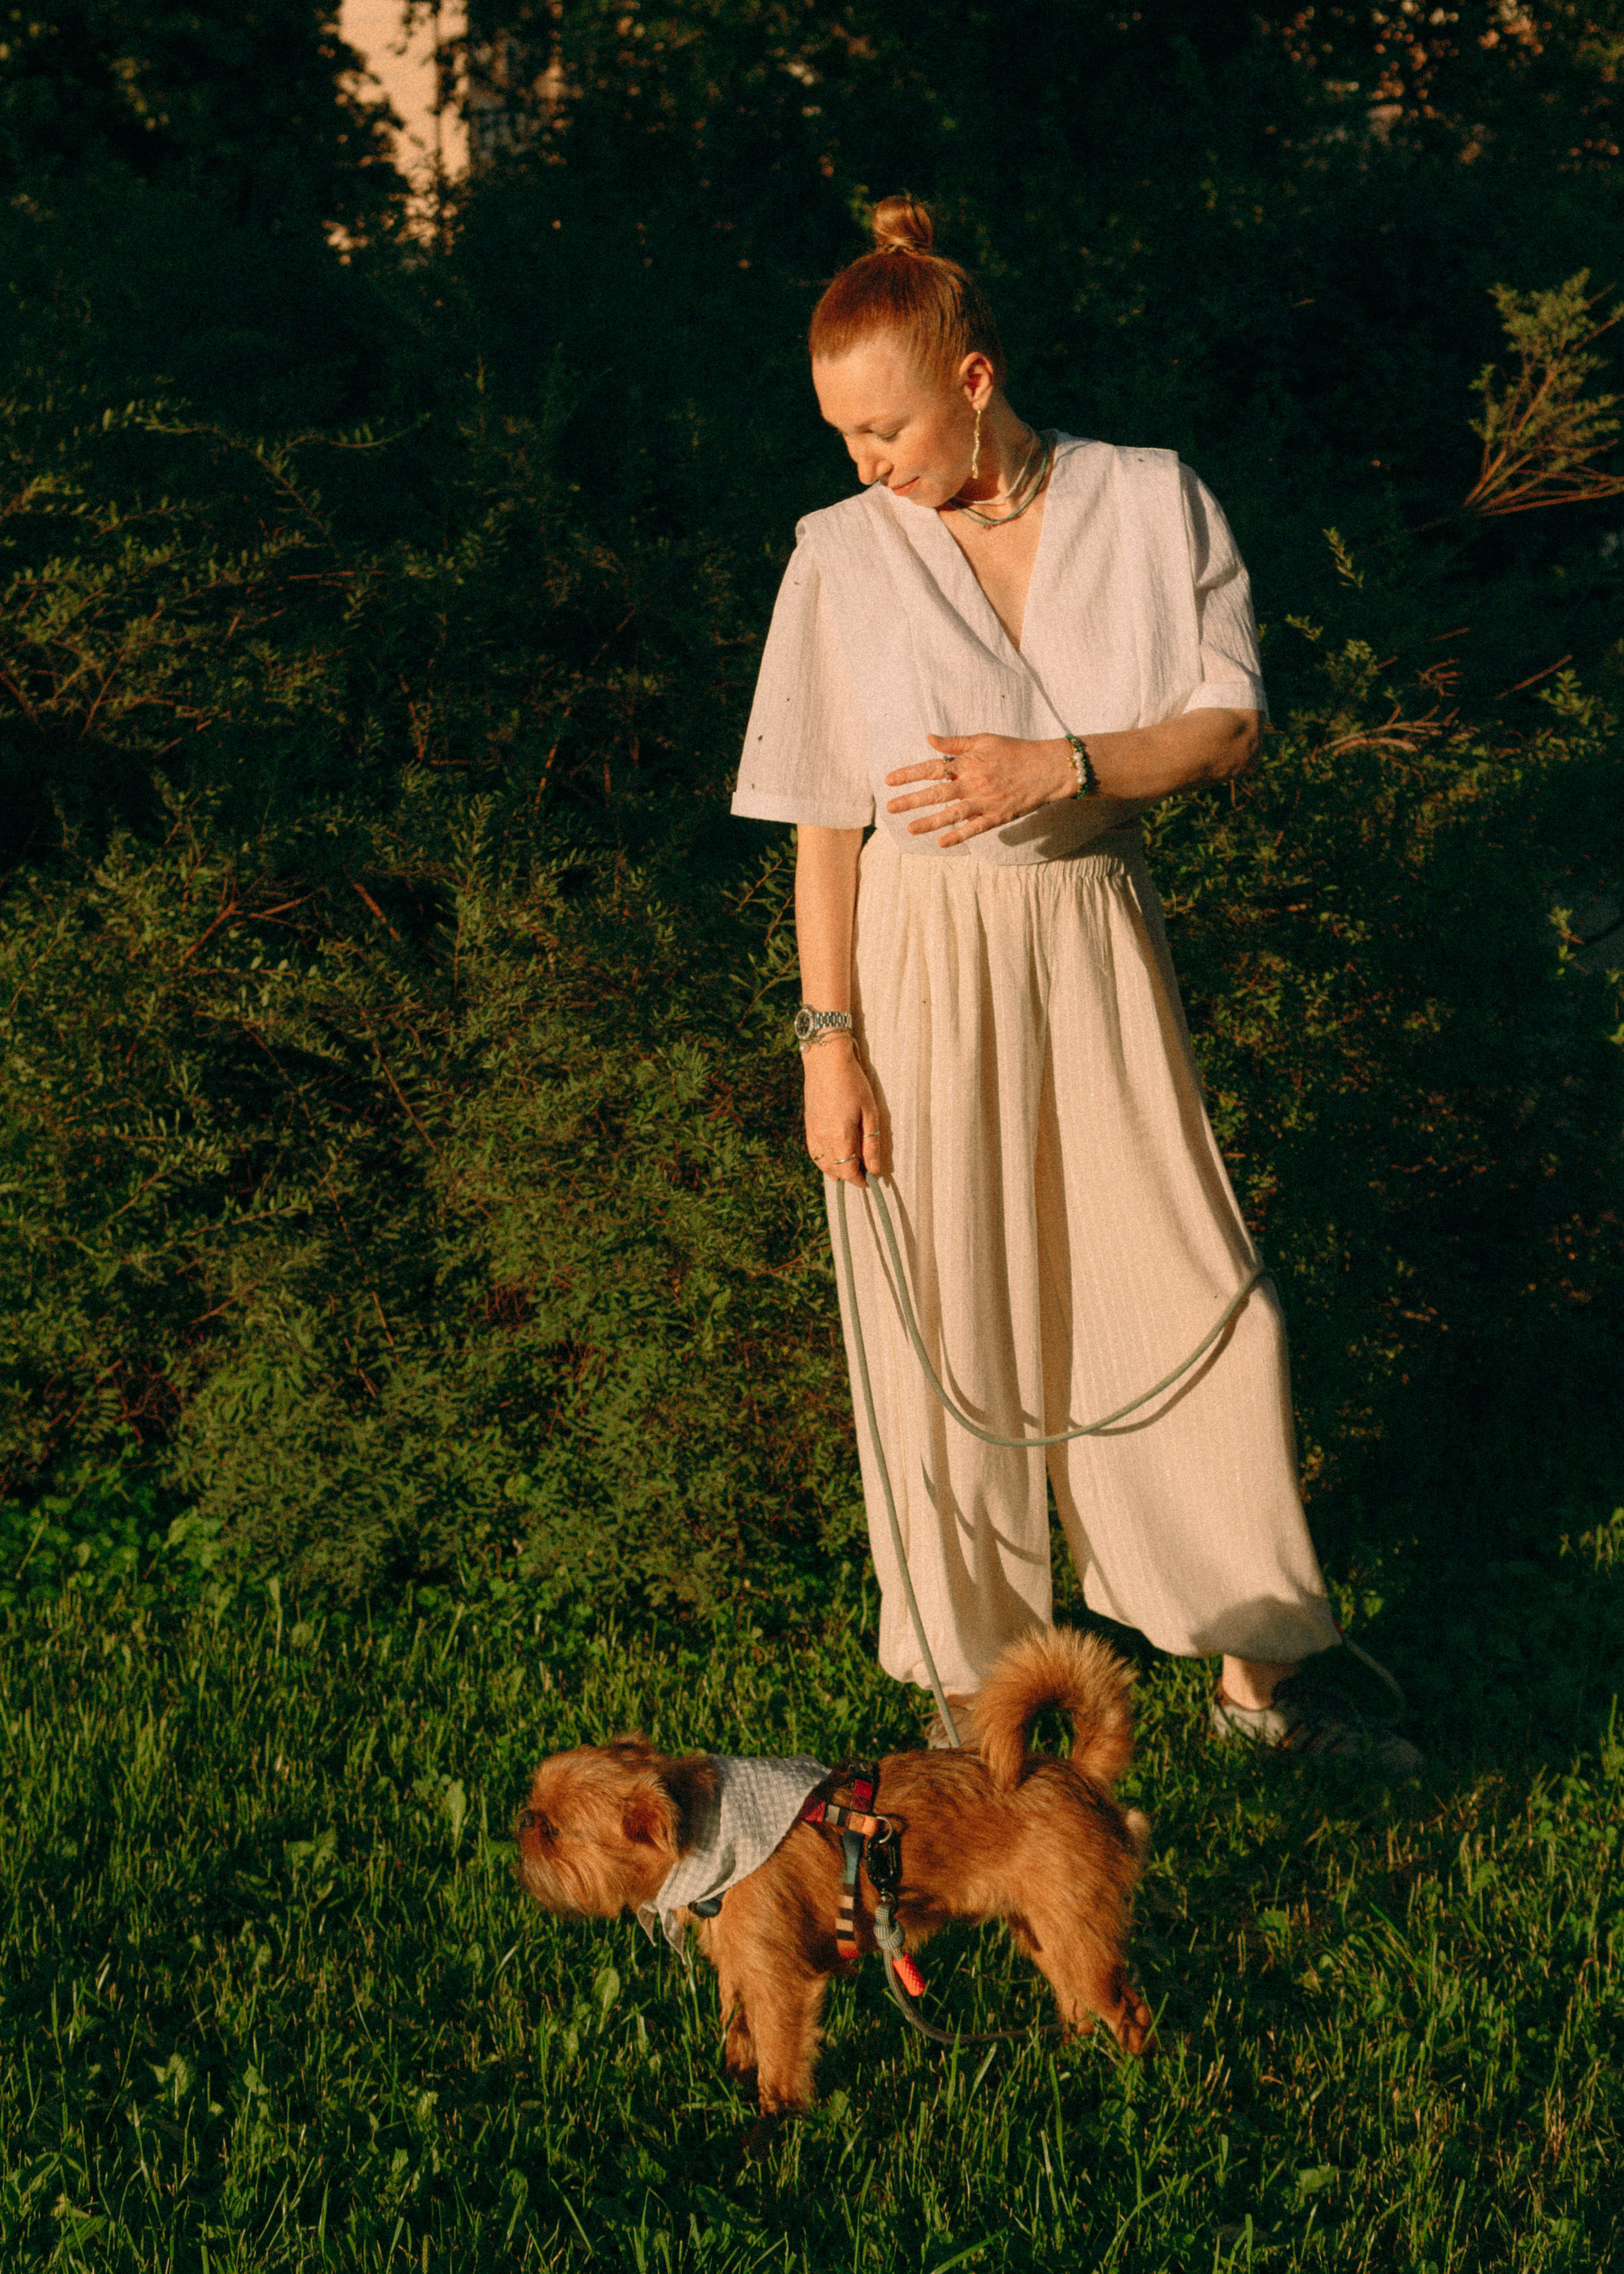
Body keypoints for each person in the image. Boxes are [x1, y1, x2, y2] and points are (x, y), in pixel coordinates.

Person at [731, 195, 1418, 1772]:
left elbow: (1226, 724)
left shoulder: (1148, 497)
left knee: (1187, 1281)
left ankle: (1257, 1667)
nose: (863, 462)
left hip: (1093, 928)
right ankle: (980, 1706)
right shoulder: (838, 557)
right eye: (839, 434)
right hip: (913, 951)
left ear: (971, 379)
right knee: (941, 1309)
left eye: (884, 426)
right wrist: (825, 1042)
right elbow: (822, 818)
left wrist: (1066, 760)